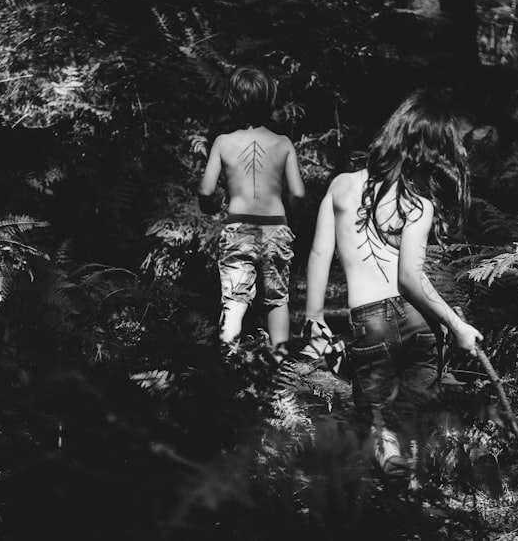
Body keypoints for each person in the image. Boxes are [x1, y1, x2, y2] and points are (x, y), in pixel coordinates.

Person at [303, 91, 483, 473]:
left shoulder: (341, 187)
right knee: (415, 414)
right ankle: (415, 479)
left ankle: (390, 461)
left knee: (379, 413)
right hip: (419, 322)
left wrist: (314, 316)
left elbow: (319, 253)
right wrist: (457, 324)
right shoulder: (418, 203)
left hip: (370, 320)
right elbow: (411, 278)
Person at [199, 65, 305, 348]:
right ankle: (281, 375)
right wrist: (293, 219)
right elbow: (298, 193)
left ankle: (225, 371)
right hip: (276, 227)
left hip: (239, 228)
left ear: (232, 101)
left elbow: (206, 190)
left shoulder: (223, 143)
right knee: (277, 301)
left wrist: (213, 205)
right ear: (269, 102)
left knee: (234, 301)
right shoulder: (283, 143)